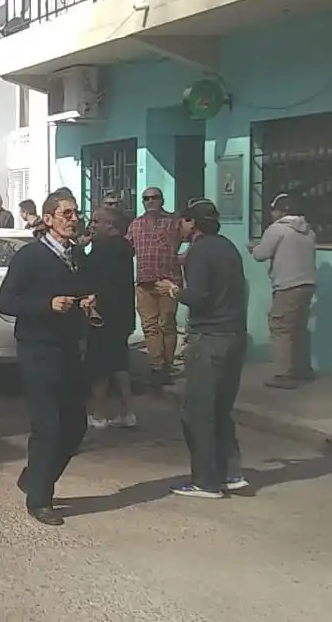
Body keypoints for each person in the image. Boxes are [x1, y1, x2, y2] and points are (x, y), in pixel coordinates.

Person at [0, 189, 96, 526]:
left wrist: (85, 302)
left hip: (68, 348)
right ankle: (40, 499)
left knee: (75, 425)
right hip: (37, 349)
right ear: (49, 219)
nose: (73, 220)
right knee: (47, 425)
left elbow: (80, 288)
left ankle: (35, 477)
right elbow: (5, 301)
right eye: (65, 214)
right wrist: (46, 305)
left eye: (75, 213)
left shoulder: (76, 255)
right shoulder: (30, 256)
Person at [156, 199, 248, 499]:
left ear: (192, 223)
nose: (179, 226)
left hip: (209, 338)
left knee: (198, 411)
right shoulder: (227, 247)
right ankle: (231, 473)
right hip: (234, 335)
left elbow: (199, 297)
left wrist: (173, 290)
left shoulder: (198, 251)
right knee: (221, 409)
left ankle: (206, 481)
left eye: (183, 221)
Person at [248, 193, 317, 389]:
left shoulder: (276, 229)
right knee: (299, 329)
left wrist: (254, 249)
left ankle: (283, 374)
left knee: (281, 329)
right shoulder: (309, 231)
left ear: (281, 211)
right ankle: (302, 369)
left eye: (274, 209)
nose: (271, 213)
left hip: (287, 285)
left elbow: (261, 255)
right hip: (307, 284)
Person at [82, 207, 137, 430]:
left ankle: (99, 413)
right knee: (119, 364)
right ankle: (127, 411)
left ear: (111, 225)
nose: (92, 226)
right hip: (122, 316)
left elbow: (88, 273)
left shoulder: (104, 249)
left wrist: (79, 250)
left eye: (97, 222)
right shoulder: (124, 247)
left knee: (99, 367)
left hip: (103, 315)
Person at [126, 186, 181, 387]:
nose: (150, 201)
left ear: (161, 200)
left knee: (167, 325)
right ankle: (157, 367)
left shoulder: (173, 223)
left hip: (168, 281)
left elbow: (192, 239)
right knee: (150, 327)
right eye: (146, 198)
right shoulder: (136, 225)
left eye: (154, 198)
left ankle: (167, 365)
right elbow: (126, 250)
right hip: (144, 283)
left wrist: (185, 259)